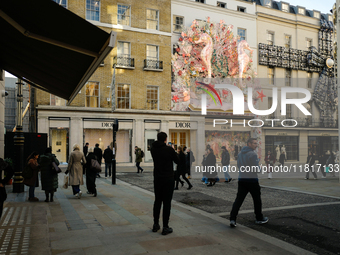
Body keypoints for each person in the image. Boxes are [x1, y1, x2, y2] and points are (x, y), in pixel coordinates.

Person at [229, 138, 268, 228]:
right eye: (254, 143)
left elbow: (239, 166)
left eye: (256, 143)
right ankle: (259, 218)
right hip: (252, 180)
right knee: (257, 200)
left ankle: (232, 219)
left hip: (242, 179)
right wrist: (260, 168)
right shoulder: (252, 154)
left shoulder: (240, 153)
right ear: (249, 144)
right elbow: (256, 169)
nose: (256, 145)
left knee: (238, 200)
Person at [151, 132, 179, 235]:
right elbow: (177, 161)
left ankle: (155, 224)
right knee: (167, 203)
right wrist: (173, 150)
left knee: (157, 201)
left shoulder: (153, 149)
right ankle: (165, 226)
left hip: (157, 178)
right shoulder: (169, 149)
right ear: (165, 139)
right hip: (168, 178)